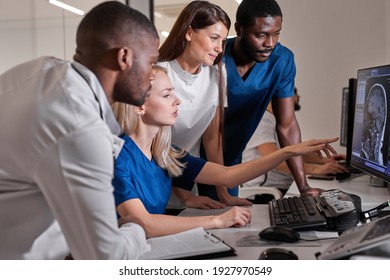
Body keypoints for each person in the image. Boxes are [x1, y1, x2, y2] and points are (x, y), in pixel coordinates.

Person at [0, 1, 159, 260]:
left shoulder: (37, 73)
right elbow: (103, 259)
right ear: (124, 57)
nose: (152, 74)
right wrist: (137, 229)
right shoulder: (78, 125)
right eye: (151, 62)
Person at [111, 65, 339, 237]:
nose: (177, 100)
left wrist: (288, 152)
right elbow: (144, 223)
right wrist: (217, 221)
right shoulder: (119, 156)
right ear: (140, 106)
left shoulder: (163, 152)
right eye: (167, 94)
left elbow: (228, 175)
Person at [198, 0, 326, 201]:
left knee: (227, 222)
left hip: (230, 161)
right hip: (193, 155)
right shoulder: (215, 57)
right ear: (239, 29)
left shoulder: (282, 60)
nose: (270, 44)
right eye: (261, 35)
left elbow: (287, 125)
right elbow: (210, 132)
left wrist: (303, 185)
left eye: (276, 33)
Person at [157, 1, 252, 210]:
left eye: (223, 41)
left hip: (188, 180)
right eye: (214, 38)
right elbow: (153, 143)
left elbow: (212, 138)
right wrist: (183, 196)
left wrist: (223, 193)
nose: (219, 49)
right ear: (189, 32)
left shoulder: (218, 73)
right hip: (159, 179)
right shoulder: (159, 73)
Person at [242, 88, 349, 196]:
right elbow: (275, 160)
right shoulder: (262, 120)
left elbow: (296, 153)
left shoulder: (277, 120)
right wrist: (315, 169)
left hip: (283, 187)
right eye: (295, 93)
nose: (298, 97)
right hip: (266, 192)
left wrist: (328, 161)